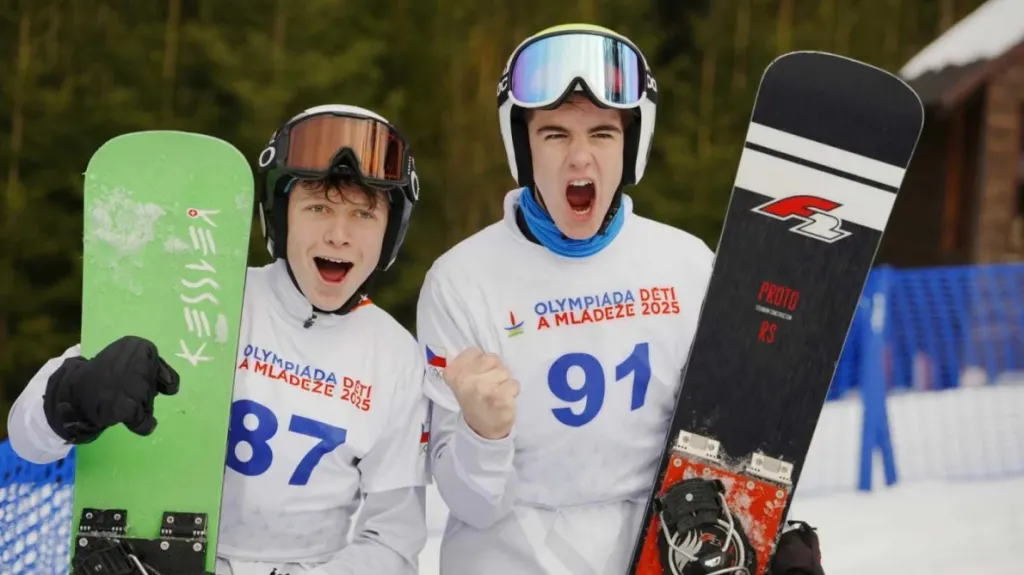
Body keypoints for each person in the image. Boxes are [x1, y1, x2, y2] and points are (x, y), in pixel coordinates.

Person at [416, 24, 826, 575]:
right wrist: (483, 434)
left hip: (658, 555)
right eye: (555, 134)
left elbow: (726, 442)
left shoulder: (685, 264)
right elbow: (469, 504)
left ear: (631, 145)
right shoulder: (461, 281)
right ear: (523, 146)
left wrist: (758, 542)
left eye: (603, 134)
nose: (580, 159)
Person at [7, 104, 431, 575]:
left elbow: (391, 543)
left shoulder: (395, 359)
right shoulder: (202, 291)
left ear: (391, 231)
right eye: (318, 208)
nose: (339, 235)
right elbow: (26, 440)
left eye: (363, 214)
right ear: (280, 216)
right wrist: (74, 397)